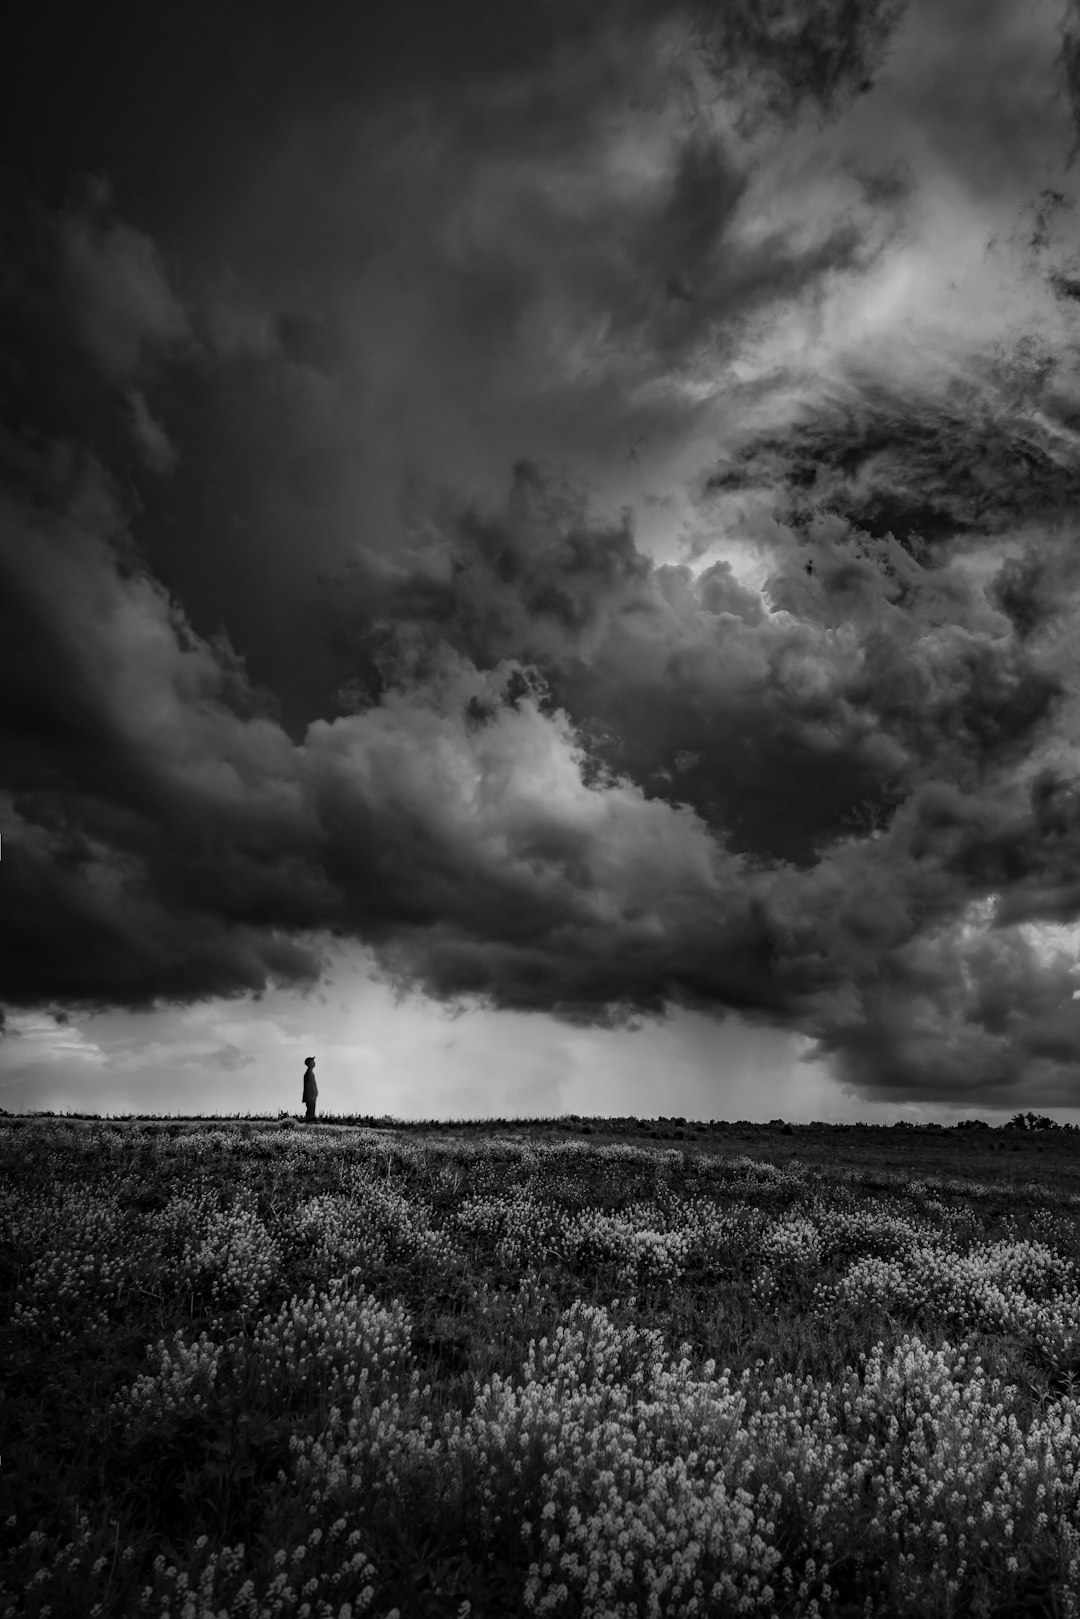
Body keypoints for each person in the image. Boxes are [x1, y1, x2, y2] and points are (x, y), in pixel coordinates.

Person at [302, 1056, 318, 1121]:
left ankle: (309, 1123)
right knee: (310, 1112)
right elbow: (308, 1086)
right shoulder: (308, 1074)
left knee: (311, 1111)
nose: (314, 1063)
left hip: (311, 1096)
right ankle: (309, 1123)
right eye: (313, 1062)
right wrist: (312, 1094)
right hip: (310, 1096)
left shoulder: (310, 1073)